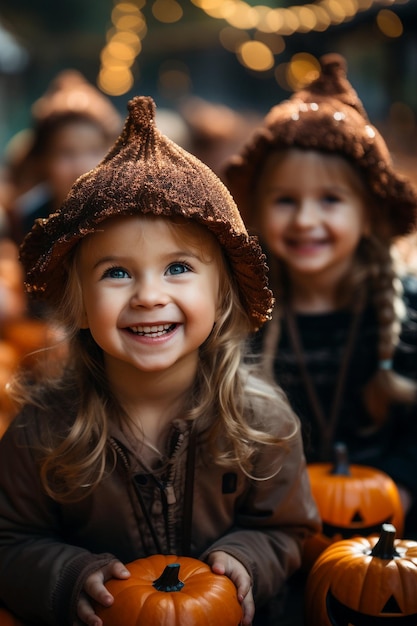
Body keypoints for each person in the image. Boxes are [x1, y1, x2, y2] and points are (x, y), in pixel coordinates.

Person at [0, 95, 320, 626]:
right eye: (117, 273)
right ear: (78, 302)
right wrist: (66, 576)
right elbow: (8, 539)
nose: (149, 295)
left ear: (221, 296)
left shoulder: (263, 423)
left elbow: (288, 531)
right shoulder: (43, 429)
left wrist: (248, 559)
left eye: (177, 268)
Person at [223, 53, 417, 542]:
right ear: (259, 211)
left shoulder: (406, 310)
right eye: (286, 200)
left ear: (368, 213)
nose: (306, 220)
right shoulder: (245, 313)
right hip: (274, 529)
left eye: (330, 200)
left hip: (388, 528)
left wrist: (400, 495)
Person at [5, 69, 122, 244]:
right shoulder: (27, 221)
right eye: (66, 153)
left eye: (94, 150)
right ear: (43, 160)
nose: (82, 166)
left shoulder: (124, 214)